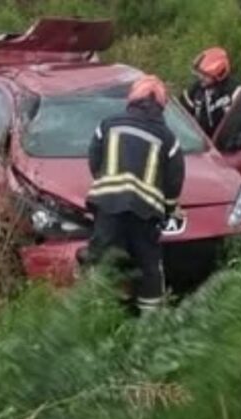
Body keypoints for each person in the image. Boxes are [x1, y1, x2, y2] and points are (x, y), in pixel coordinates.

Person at [80, 75, 186, 314]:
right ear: (161, 105)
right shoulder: (168, 138)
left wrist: (106, 185)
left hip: (108, 207)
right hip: (145, 213)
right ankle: (150, 319)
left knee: (102, 258)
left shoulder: (107, 125)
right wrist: (169, 208)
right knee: (148, 265)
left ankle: (97, 313)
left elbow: (94, 158)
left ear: (132, 99)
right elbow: (174, 180)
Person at [180, 47, 241, 136]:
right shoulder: (195, 90)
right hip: (202, 140)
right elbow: (181, 115)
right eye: (199, 73)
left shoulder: (235, 91)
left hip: (226, 141)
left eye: (205, 75)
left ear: (219, 74)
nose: (200, 77)